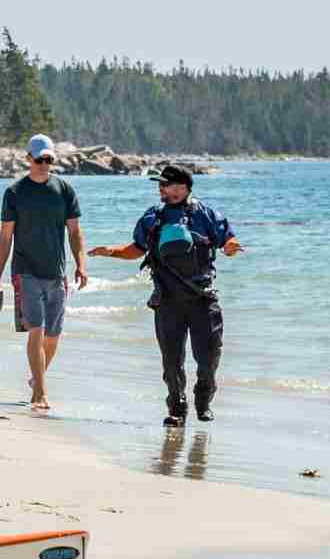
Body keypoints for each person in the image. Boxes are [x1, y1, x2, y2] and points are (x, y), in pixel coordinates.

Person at [93, 162, 240, 426]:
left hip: (202, 299)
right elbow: (137, 249)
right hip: (167, 300)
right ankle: (176, 409)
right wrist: (111, 251)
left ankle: (203, 398)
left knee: (209, 358)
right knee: (171, 363)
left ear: (182, 188)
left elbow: (226, 239)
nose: (160, 188)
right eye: (159, 184)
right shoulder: (153, 217)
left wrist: (230, 247)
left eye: (165, 184)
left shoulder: (206, 214)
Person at [0, 134, 87, 414]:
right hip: (25, 271)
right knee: (37, 329)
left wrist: (81, 264)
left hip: (56, 272)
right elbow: (5, 237)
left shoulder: (65, 190)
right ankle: (40, 392)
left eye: (49, 159)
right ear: (28, 159)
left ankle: (36, 378)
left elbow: (75, 231)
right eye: (39, 159)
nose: (44, 164)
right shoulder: (15, 192)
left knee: (53, 336)